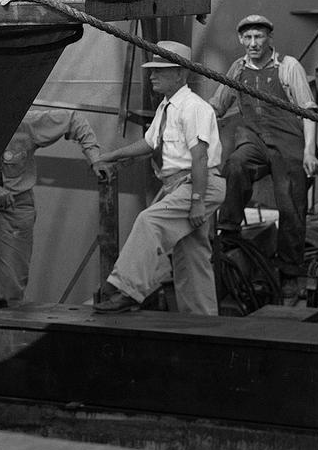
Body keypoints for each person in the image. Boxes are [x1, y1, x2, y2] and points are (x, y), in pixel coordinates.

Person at [92, 41, 225, 314]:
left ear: (180, 73)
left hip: (199, 183)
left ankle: (127, 289)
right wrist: (112, 156)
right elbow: (149, 143)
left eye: (160, 70)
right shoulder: (168, 107)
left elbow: (199, 157)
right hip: (180, 185)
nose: (152, 75)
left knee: (148, 221)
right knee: (191, 253)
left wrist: (198, 199)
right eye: (152, 70)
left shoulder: (193, 107)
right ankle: (202, 320)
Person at [208, 14, 318, 300]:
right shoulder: (237, 68)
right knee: (235, 165)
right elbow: (217, 106)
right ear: (240, 40)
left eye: (259, 37)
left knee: (291, 206)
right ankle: (229, 229)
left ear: (270, 38)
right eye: (248, 38)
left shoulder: (288, 67)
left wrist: (309, 151)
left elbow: (309, 110)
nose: (253, 43)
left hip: (288, 143)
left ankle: (290, 274)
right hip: (254, 140)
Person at [0, 108, 102, 307]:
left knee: (11, 290)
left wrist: (95, 158)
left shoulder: (27, 123)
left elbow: (74, 119)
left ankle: (7, 309)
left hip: (16, 201)